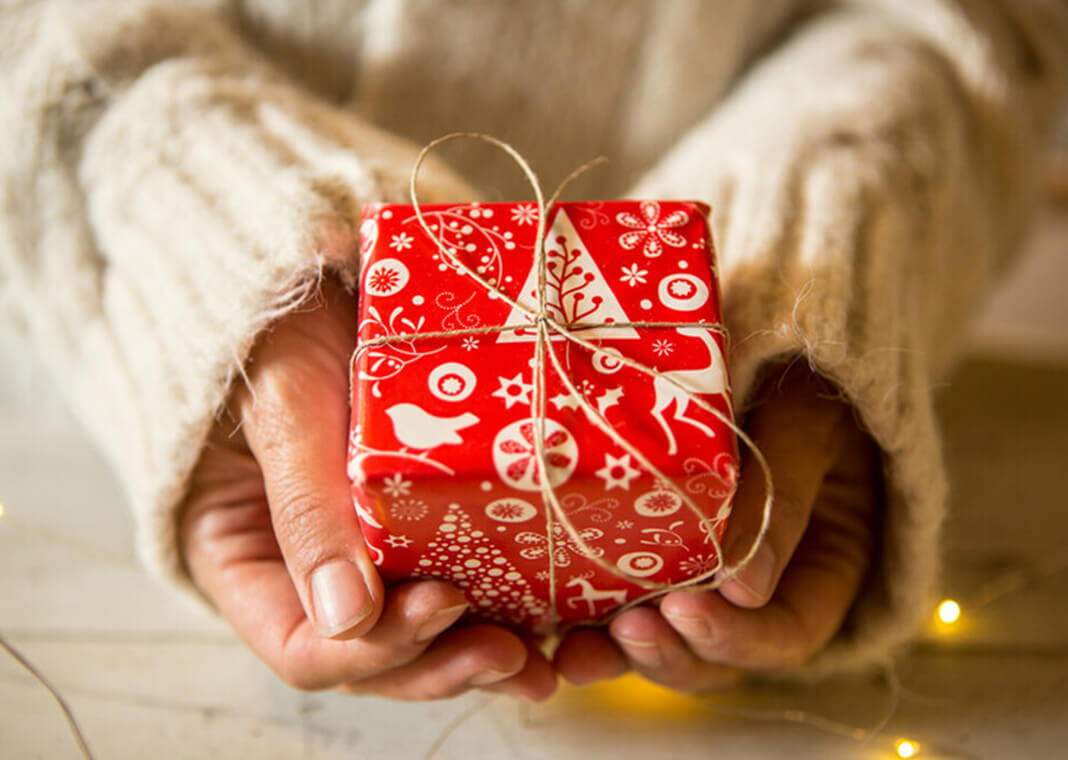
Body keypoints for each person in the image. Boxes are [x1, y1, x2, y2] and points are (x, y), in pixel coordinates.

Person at [2, 0, 1064, 702]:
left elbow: (982, 28)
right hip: (98, 404)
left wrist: (833, 258)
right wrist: (206, 259)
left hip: (739, 348)